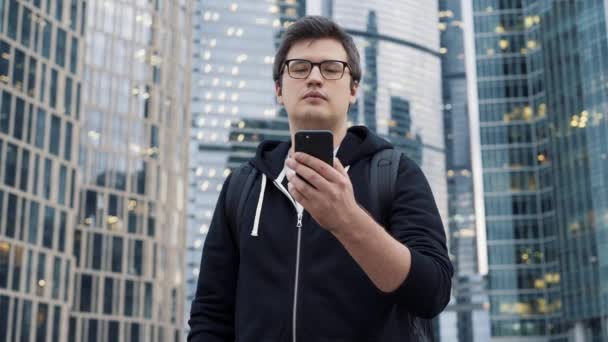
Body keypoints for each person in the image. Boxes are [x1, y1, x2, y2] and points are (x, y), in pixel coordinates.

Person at [188, 15, 453, 342]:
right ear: (279, 90)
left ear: (353, 89)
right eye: (299, 68)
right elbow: (211, 315)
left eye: (331, 68)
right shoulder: (242, 187)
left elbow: (433, 292)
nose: (314, 77)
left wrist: (348, 219)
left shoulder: (395, 172)